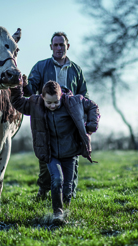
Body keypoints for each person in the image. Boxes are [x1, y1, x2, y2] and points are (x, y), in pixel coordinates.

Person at [11, 81, 100, 222]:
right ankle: (57, 213)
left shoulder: (74, 102)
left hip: (70, 152)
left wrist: (91, 125)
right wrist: (17, 85)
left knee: (67, 187)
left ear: (62, 96)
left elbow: (93, 106)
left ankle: (66, 208)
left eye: (56, 102)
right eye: (49, 103)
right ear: (42, 97)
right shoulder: (35, 104)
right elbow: (17, 102)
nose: (52, 106)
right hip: (50, 154)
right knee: (57, 179)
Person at [23, 32, 89, 200]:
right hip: (47, 119)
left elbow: (83, 95)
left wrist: (86, 118)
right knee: (47, 158)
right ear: (51, 46)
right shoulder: (40, 66)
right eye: (56, 45)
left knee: (72, 157)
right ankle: (43, 189)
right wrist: (22, 84)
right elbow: (31, 89)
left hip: (70, 121)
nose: (59, 48)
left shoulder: (76, 70)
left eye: (62, 44)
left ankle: (69, 195)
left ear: (68, 46)